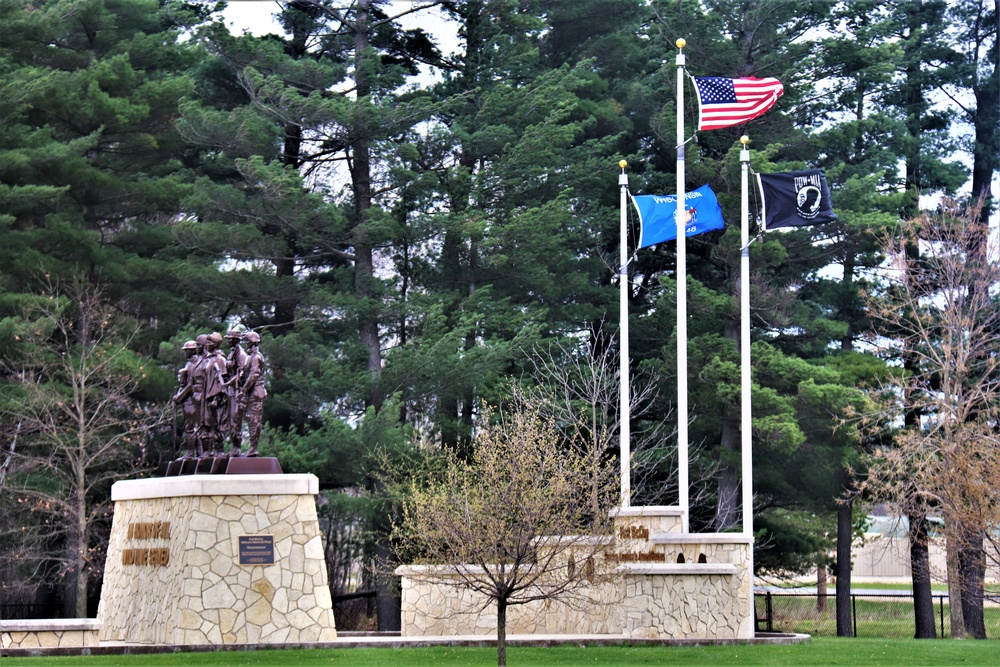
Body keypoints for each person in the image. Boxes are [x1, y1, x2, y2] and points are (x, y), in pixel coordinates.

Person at [200, 332, 229, 457]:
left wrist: (217, 398)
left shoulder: (220, 359)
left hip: (215, 397)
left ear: (216, 344)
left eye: (210, 342)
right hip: (206, 396)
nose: (207, 344)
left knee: (218, 424)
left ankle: (219, 451)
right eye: (207, 342)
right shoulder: (208, 359)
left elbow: (221, 380)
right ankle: (206, 452)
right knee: (205, 423)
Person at [170, 340, 201, 459]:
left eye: (186, 351)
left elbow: (189, 385)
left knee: (190, 427)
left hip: (191, 400)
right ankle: (200, 452)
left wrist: (179, 397)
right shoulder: (190, 363)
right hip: (190, 398)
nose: (185, 353)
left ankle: (190, 453)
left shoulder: (194, 364)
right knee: (194, 427)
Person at [241, 331, 267, 457]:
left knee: (254, 419)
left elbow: (254, 375)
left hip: (256, 391)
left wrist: (244, 389)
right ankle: (252, 447)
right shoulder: (250, 356)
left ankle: (253, 447)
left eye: (247, 341)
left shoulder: (256, 357)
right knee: (251, 418)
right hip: (251, 391)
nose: (246, 343)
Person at [225, 329, 249, 455]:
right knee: (231, 419)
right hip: (230, 390)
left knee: (236, 418)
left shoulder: (241, 354)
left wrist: (230, 382)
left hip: (237, 390)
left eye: (230, 338)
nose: (228, 341)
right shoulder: (231, 353)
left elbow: (242, 373)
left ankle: (237, 447)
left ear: (236, 340)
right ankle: (234, 446)